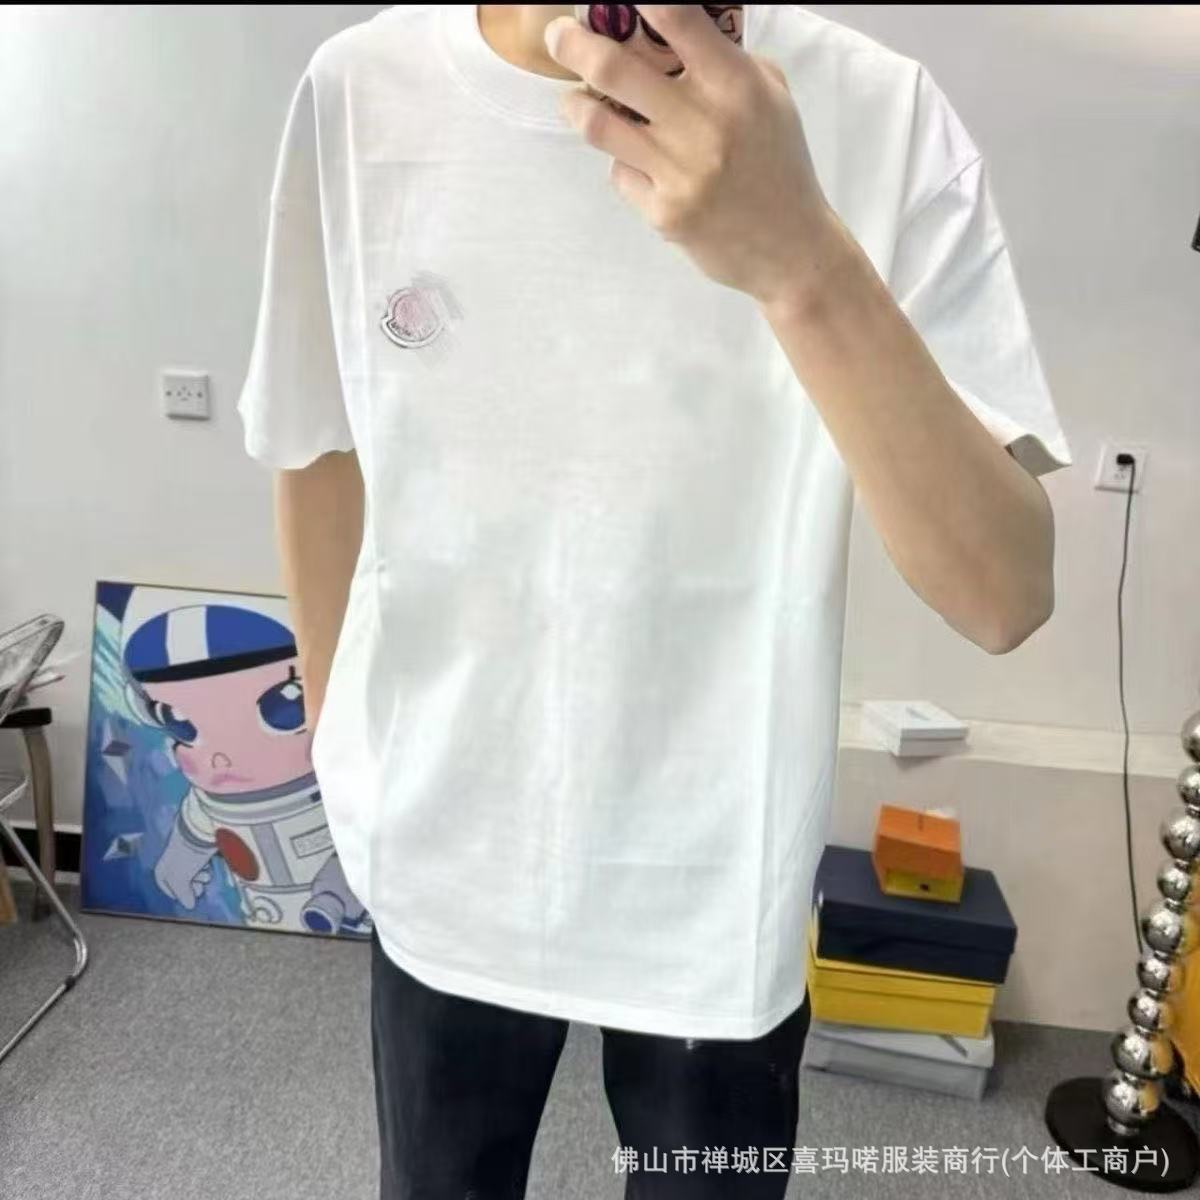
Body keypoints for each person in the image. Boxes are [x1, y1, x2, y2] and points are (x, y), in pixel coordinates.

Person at [236, 5, 1073, 1197]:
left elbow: (1004, 592)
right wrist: (337, 749)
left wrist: (800, 258)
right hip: (439, 846)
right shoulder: (360, 89)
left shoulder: (877, 114)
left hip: (715, 882)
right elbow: (317, 443)